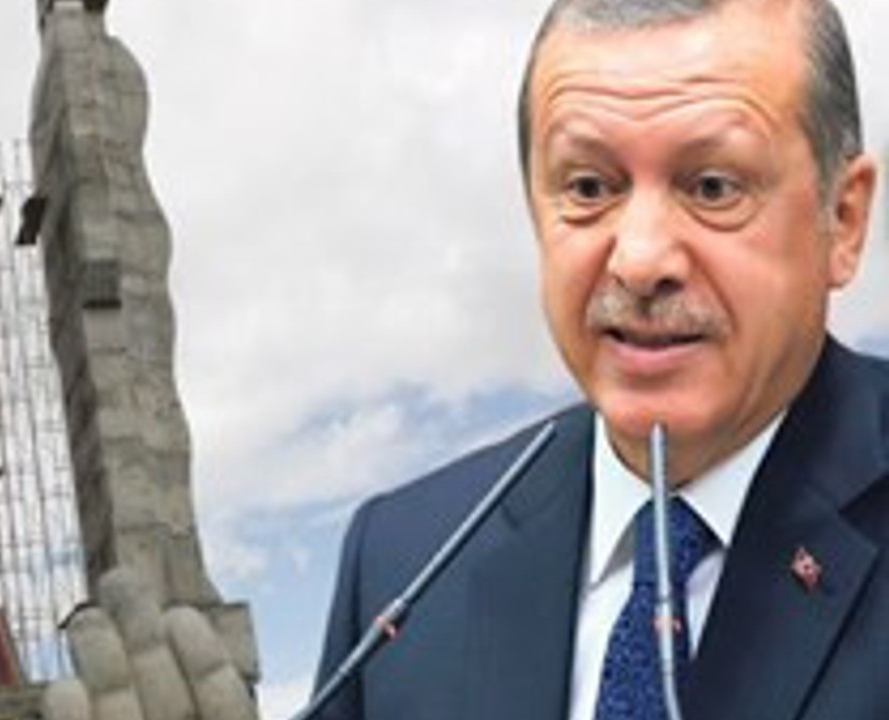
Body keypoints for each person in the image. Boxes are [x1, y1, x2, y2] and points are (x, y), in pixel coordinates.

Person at [314, 0, 889, 719]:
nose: (639, 260)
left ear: (843, 219)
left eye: (713, 187)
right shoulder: (402, 559)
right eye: (588, 188)